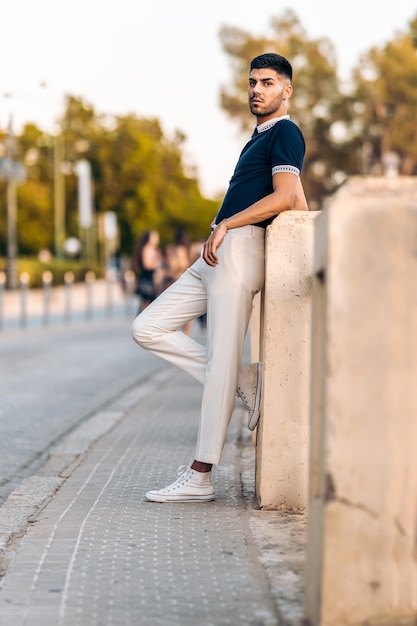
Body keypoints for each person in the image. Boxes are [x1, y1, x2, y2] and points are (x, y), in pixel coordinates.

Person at [132, 52, 308, 503]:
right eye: (252, 82)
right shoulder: (260, 136)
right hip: (214, 253)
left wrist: (228, 224)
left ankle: (200, 476)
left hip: (238, 249)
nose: (256, 89)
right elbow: (299, 202)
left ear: (286, 90)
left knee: (219, 361)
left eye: (267, 83)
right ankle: (244, 383)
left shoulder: (287, 131)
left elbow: (286, 197)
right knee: (147, 327)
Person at [131, 229, 162, 313]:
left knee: (148, 302)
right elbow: (146, 265)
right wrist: (157, 264)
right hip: (146, 279)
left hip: (150, 279)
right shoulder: (147, 249)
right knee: (146, 302)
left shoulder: (154, 249)